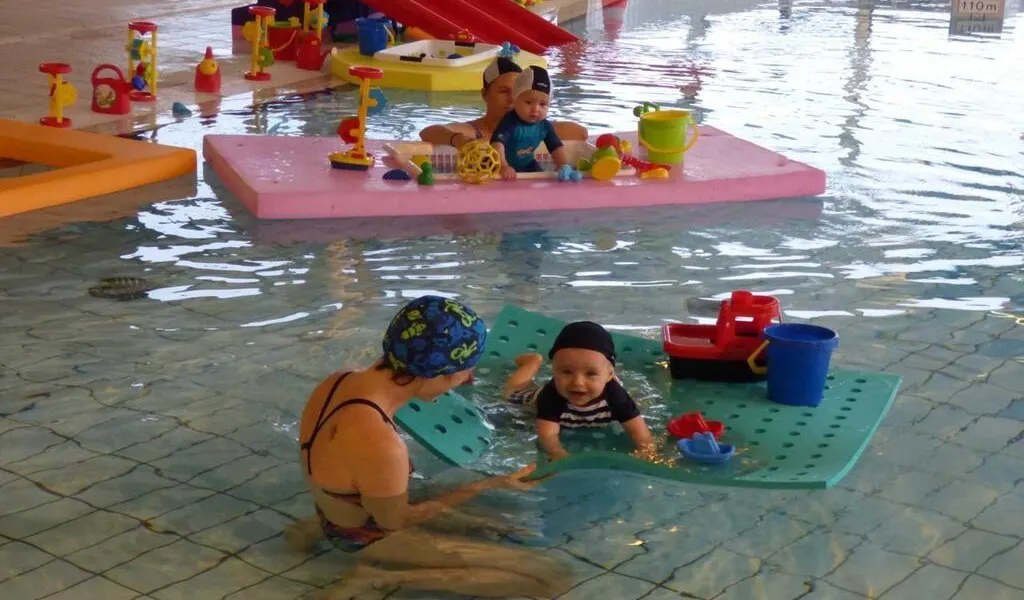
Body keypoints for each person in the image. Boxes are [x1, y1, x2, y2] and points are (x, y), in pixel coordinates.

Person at [285, 295, 573, 599]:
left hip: (335, 508)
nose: (466, 381)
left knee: (487, 517)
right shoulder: (379, 442)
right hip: (367, 537)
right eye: (466, 371)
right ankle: (376, 579)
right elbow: (396, 521)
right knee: (551, 578)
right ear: (438, 374)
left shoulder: (339, 381)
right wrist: (488, 485)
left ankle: (311, 529)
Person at [503, 321, 655, 461]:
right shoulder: (551, 396)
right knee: (510, 392)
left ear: (610, 375)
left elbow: (640, 434)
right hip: (533, 401)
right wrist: (558, 453)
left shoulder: (616, 396)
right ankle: (532, 362)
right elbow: (547, 434)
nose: (577, 382)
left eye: (590, 373)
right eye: (566, 372)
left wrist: (646, 453)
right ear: (554, 370)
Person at [418, 57, 588, 150]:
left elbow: (580, 133)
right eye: (504, 91)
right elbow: (428, 132)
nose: (512, 99)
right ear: (485, 95)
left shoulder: (536, 129)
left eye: (517, 93)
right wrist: (458, 140)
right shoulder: (475, 132)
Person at [490, 66, 572, 181]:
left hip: (528, 164)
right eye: (528, 102)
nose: (535, 109)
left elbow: (556, 147)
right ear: (515, 100)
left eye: (542, 104)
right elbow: (497, 144)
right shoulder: (510, 121)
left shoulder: (544, 126)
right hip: (501, 165)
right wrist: (503, 166)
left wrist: (563, 165)